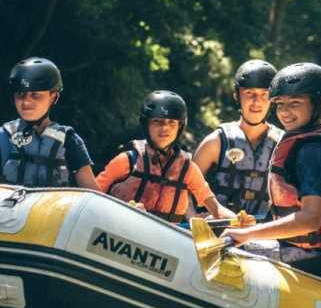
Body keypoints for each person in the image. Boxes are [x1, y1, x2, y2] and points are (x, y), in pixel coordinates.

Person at [222, 63, 321, 285]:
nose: (284, 112)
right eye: (280, 104)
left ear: (319, 104)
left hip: (320, 261)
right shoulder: (319, 139)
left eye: (295, 103)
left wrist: (247, 234)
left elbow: (310, 220)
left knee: (226, 248)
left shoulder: (313, 151)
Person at [0, 57, 99, 201]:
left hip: (52, 220)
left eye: (35, 95)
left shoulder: (70, 141)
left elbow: (94, 196)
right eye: (20, 94)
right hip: (4, 219)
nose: (26, 101)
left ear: (54, 97)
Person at [96, 91, 236, 223]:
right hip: (120, 230)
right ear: (146, 124)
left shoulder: (188, 169)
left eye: (172, 122)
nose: (165, 128)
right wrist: (122, 210)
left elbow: (216, 208)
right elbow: (91, 195)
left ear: (179, 127)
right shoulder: (127, 160)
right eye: (157, 121)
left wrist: (239, 221)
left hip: (165, 240)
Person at [193, 60, 284, 220]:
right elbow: (185, 187)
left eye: (264, 94)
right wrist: (193, 219)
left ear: (273, 99)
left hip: (265, 232)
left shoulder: (284, 143)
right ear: (237, 95)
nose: (257, 101)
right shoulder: (216, 142)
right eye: (249, 93)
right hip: (219, 229)